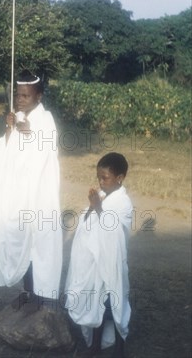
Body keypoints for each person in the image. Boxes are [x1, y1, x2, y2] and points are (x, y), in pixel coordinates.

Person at [0, 70, 62, 308]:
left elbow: (49, 150)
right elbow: (6, 154)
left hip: (38, 193)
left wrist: (31, 134)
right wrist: (9, 130)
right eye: (18, 95)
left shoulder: (45, 119)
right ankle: (28, 290)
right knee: (18, 238)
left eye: (26, 96)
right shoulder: (16, 116)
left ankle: (40, 295)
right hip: (17, 193)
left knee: (38, 241)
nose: (21, 100)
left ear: (39, 96)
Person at [65, 152, 133, 358]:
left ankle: (120, 349)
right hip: (96, 262)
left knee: (115, 303)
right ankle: (95, 346)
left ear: (119, 178)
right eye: (99, 178)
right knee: (98, 303)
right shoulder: (103, 197)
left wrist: (99, 209)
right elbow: (86, 225)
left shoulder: (123, 203)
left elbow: (115, 232)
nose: (101, 182)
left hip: (112, 262)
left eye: (105, 178)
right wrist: (92, 209)